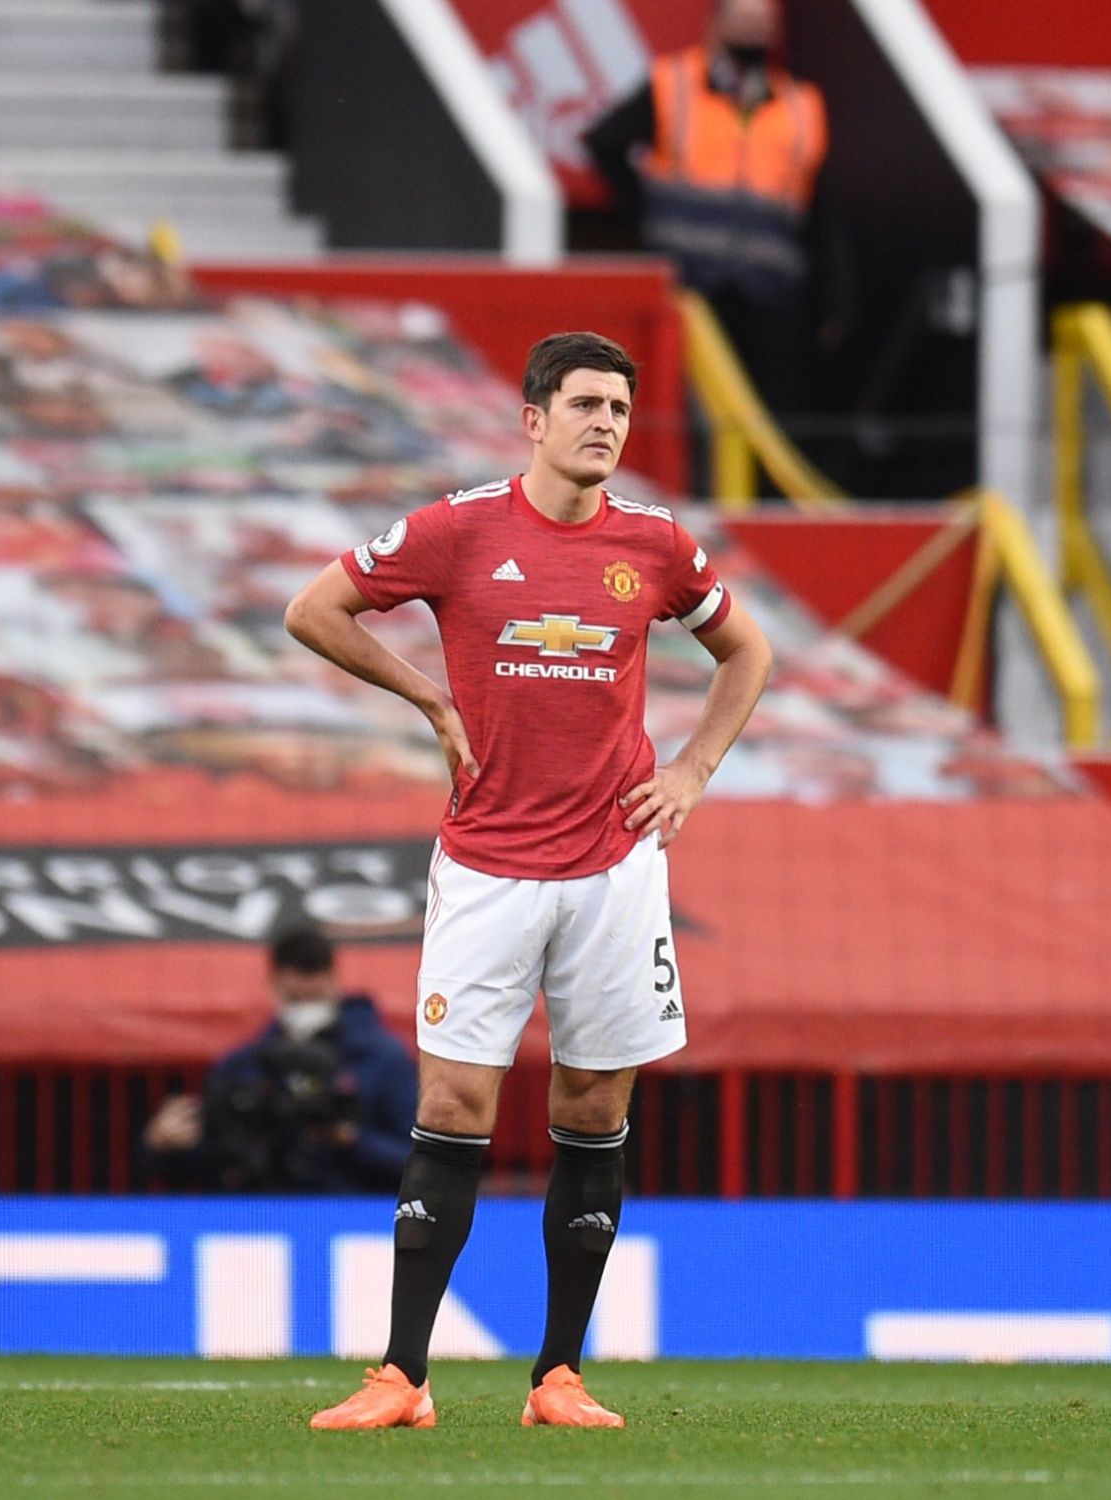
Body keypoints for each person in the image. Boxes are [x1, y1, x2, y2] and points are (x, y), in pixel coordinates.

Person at [287, 332, 773, 1429]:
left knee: (594, 1107)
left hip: (615, 869)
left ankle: (559, 1377)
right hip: (487, 867)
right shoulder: (458, 530)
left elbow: (750, 653)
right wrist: (427, 697)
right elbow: (312, 609)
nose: (607, 422)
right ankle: (402, 1377)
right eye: (587, 403)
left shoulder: (653, 547)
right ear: (534, 419)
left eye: (621, 407)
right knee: (453, 1103)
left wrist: (694, 767)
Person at [583, 0, 829, 429]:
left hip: (769, 290)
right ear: (715, 26)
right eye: (743, 22)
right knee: (687, 410)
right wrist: (642, 215)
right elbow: (604, 143)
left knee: (773, 415)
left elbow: (818, 206)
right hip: (690, 284)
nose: (752, 34)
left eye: (761, 25)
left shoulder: (801, 104)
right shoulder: (673, 84)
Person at [142, 926, 417, 1193]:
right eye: (295, 999)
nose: (305, 1009)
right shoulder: (243, 1066)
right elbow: (207, 1163)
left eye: (314, 997)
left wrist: (351, 1140)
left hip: (353, 1219)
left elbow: (419, 1163)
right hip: (264, 1219)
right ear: (274, 987)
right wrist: (160, 1145)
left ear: (333, 982)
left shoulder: (383, 1061)